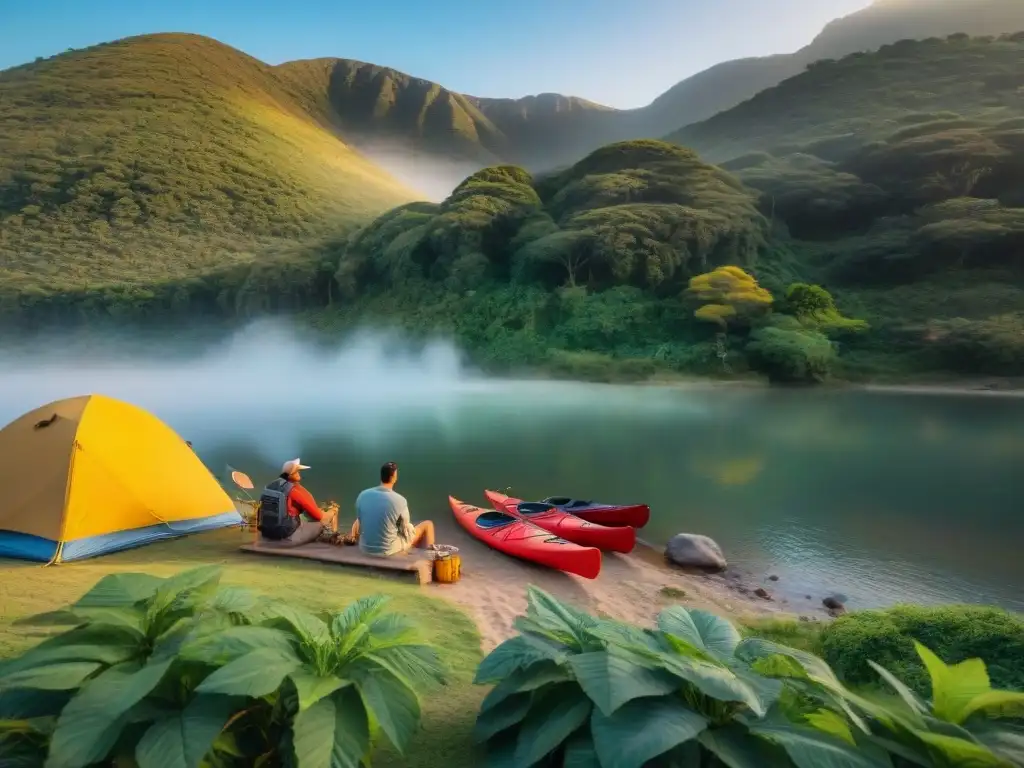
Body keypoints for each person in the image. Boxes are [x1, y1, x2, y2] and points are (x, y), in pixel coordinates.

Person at [351, 461, 435, 556]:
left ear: (381, 476)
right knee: (427, 525)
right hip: (387, 550)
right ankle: (430, 559)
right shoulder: (400, 500)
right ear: (394, 478)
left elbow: (359, 520)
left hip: (365, 548)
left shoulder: (363, 495)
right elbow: (406, 530)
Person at [257, 458, 329, 545]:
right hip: (287, 536)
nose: (298, 474)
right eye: (297, 472)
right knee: (320, 524)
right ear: (292, 475)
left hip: (267, 533)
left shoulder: (270, 486)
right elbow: (318, 516)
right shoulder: (294, 490)